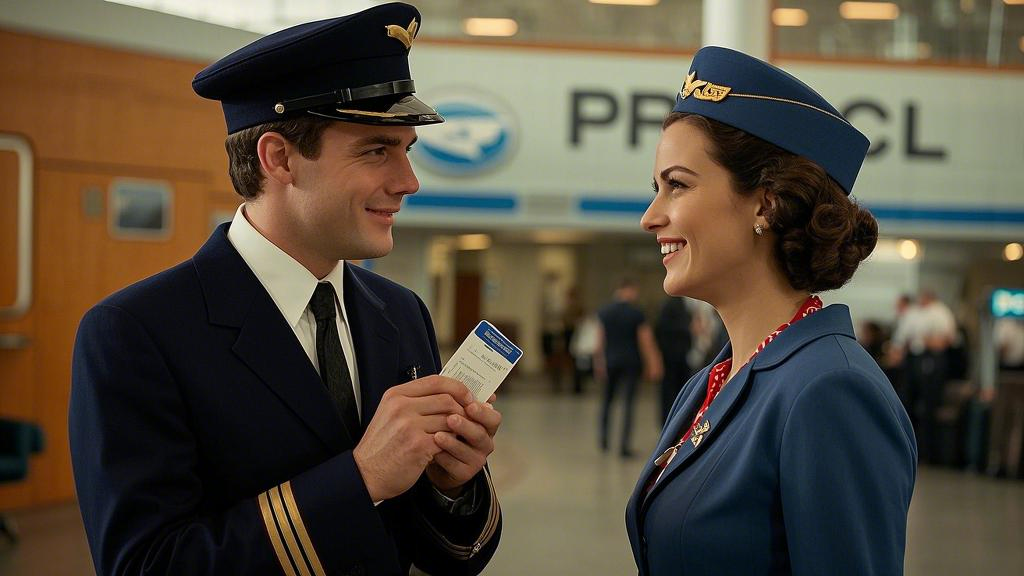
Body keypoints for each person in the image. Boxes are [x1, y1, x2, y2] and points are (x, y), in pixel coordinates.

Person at [68, 4, 501, 575]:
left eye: (407, 150)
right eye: (376, 150)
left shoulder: (400, 314)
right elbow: (145, 565)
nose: (408, 182)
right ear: (279, 158)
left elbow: (440, 554)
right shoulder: (137, 333)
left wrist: (452, 485)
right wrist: (362, 477)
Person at [627, 46, 916, 575]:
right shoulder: (714, 381)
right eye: (656, 189)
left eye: (678, 185)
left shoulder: (830, 390)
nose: (651, 217)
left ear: (767, 203)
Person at [594, 278, 663, 458]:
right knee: (628, 404)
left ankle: (603, 440)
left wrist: (599, 362)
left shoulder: (605, 312)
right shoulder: (636, 313)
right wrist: (654, 363)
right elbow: (646, 341)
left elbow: (599, 341)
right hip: (631, 362)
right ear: (630, 290)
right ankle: (624, 446)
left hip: (611, 361)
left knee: (607, 401)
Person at [653, 296, 695, 425]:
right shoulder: (673, 304)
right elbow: (662, 329)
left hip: (679, 357)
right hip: (672, 357)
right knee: (671, 392)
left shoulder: (682, 305)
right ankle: (669, 421)